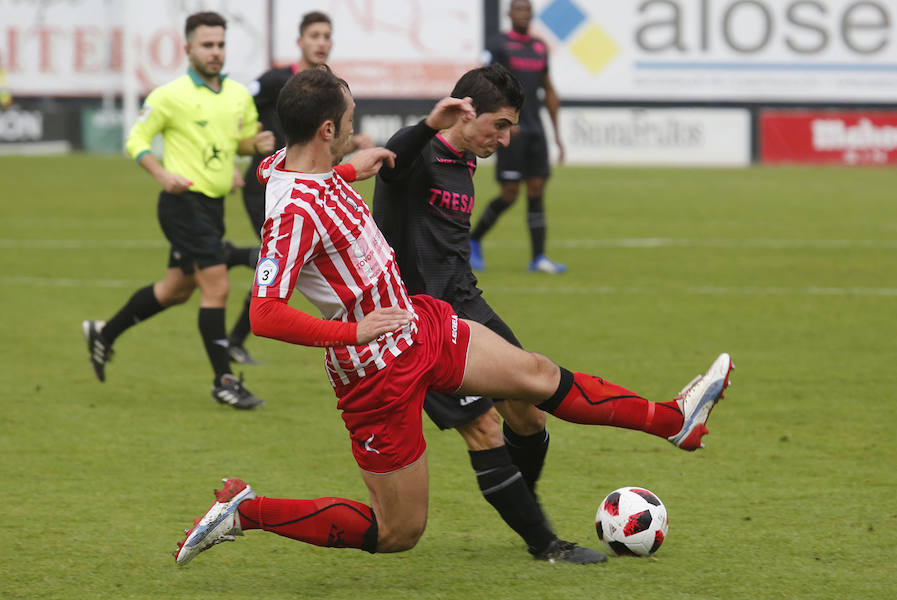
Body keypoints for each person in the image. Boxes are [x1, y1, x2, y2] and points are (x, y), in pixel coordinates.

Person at [173, 67, 733, 566]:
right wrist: (353, 330)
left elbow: (303, 178)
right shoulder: (292, 213)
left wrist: (347, 170)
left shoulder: (292, 168)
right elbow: (266, 314)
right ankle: (246, 511)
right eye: (348, 120)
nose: (353, 128)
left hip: (419, 324)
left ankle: (673, 421)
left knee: (537, 375)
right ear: (325, 130)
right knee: (398, 531)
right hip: (375, 373)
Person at [372, 64, 598, 562]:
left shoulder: (466, 162)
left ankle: (521, 502)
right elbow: (394, 160)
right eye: (500, 125)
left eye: (510, 126)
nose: (506, 138)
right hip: (418, 322)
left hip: (468, 306)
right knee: (484, 428)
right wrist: (428, 124)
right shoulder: (417, 153)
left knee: (530, 412)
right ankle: (545, 544)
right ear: (465, 113)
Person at [82, 11, 275, 409]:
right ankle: (224, 381)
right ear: (187, 48)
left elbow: (237, 142)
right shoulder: (169, 96)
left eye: (220, 44)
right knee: (217, 287)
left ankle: (104, 333)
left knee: (175, 291)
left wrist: (251, 148)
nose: (215, 52)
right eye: (207, 45)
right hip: (181, 204)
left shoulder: (238, 95)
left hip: (212, 206)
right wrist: (161, 173)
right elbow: (136, 140)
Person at [225, 10, 374, 365]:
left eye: (326, 36)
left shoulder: (329, 91)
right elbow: (234, 106)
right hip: (270, 188)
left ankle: (231, 265)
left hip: (306, 187)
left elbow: (323, 149)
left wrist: (351, 147)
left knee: (276, 264)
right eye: (314, 35)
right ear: (300, 41)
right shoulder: (277, 80)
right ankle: (234, 337)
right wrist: (240, 146)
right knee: (276, 266)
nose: (321, 42)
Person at [469, 0, 566, 274]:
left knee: (536, 190)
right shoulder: (498, 45)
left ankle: (539, 258)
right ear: (509, 13)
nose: (523, 13)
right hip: (512, 130)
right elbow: (484, 83)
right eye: (518, 9)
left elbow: (548, 89)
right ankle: (474, 240)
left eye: (527, 9)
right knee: (510, 193)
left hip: (535, 128)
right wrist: (499, 122)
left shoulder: (539, 47)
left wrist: (557, 134)